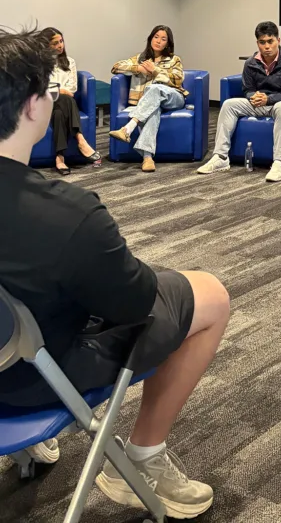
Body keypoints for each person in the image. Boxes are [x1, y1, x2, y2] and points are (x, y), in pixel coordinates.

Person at [0, 27, 231, 518]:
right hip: (30, 382)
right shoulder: (67, 213)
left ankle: (26, 450)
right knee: (207, 294)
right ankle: (143, 457)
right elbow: (133, 306)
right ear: (33, 106)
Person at [198, 21, 281, 183]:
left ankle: (279, 162)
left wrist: (269, 99)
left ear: (278, 41)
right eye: (262, 42)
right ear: (257, 43)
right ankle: (221, 156)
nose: (267, 46)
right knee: (229, 104)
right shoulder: (250, 63)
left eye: (270, 41)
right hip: (258, 104)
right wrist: (253, 96)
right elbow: (247, 89)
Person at [109, 25, 188, 173]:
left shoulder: (173, 59)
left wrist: (155, 70)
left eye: (163, 39)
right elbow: (115, 67)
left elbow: (177, 80)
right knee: (153, 109)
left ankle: (128, 127)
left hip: (173, 98)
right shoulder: (140, 59)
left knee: (154, 89)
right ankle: (147, 158)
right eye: (156, 37)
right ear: (151, 38)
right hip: (151, 103)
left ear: (168, 43)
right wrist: (138, 68)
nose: (158, 41)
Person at [42, 27, 101, 175]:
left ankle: (60, 158)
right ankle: (80, 139)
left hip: (61, 104)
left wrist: (57, 90)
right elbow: (40, 89)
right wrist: (60, 90)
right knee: (64, 98)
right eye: (55, 43)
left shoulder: (69, 62)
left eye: (61, 41)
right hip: (43, 103)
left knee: (59, 113)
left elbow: (72, 88)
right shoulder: (39, 64)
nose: (60, 45)